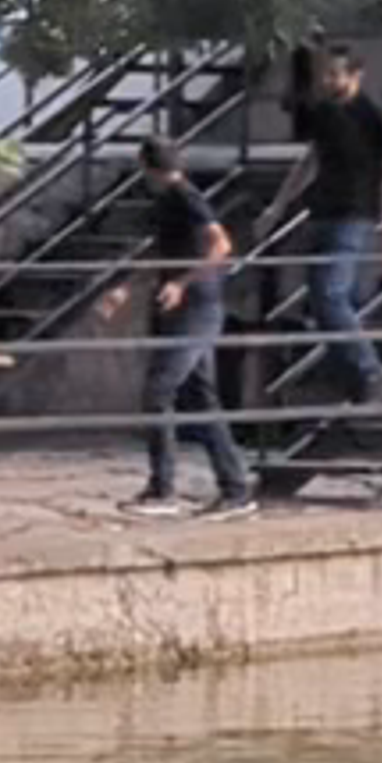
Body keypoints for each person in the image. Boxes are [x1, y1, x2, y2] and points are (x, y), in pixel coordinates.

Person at [127, 134, 250, 514]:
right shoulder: (168, 200)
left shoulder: (185, 196)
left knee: (158, 391)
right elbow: (161, 250)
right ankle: (235, 488)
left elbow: (221, 245)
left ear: (148, 167)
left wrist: (181, 284)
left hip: (196, 309)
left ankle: (163, 489)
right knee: (202, 399)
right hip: (186, 309)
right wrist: (126, 287)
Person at [289, 43, 382, 406]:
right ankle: (347, 376)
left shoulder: (372, 112)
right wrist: (280, 205)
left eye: (334, 74)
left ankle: (370, 371)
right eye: (323, 74)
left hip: (354, 217)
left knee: (331, 296)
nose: (326, 81)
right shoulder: (324, 112)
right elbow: (311, 160)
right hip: (321, 214)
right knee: (332, 301)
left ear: (355, 75)